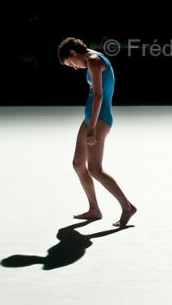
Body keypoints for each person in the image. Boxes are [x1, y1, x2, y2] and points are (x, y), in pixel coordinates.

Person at [58, 37, 136, 227]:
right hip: (90, 117)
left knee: (94, 169)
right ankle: (94, 209)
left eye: (70, 63)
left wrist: (92, 126)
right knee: (78, 164)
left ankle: (127, 207)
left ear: (74, 53)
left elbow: (100, 95)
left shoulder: (94, 60)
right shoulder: (93, 59)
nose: (74, 67)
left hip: (100, 120)